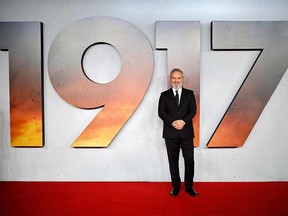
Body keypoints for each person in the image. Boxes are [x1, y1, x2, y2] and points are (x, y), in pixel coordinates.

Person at [158, 68, 198, 197]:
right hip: (171, 133)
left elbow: (193, 111)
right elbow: (161, 113)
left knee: (189, 160)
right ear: (170, 79)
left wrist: (183, 122)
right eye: (173, 78)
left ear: (182, 78)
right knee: (173, 161)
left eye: (178, 78)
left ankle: (189, 187)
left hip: (186, 133)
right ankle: (175, 187)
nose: (176, 81)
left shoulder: (189, 93)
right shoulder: (164, 95)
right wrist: (174, 122)